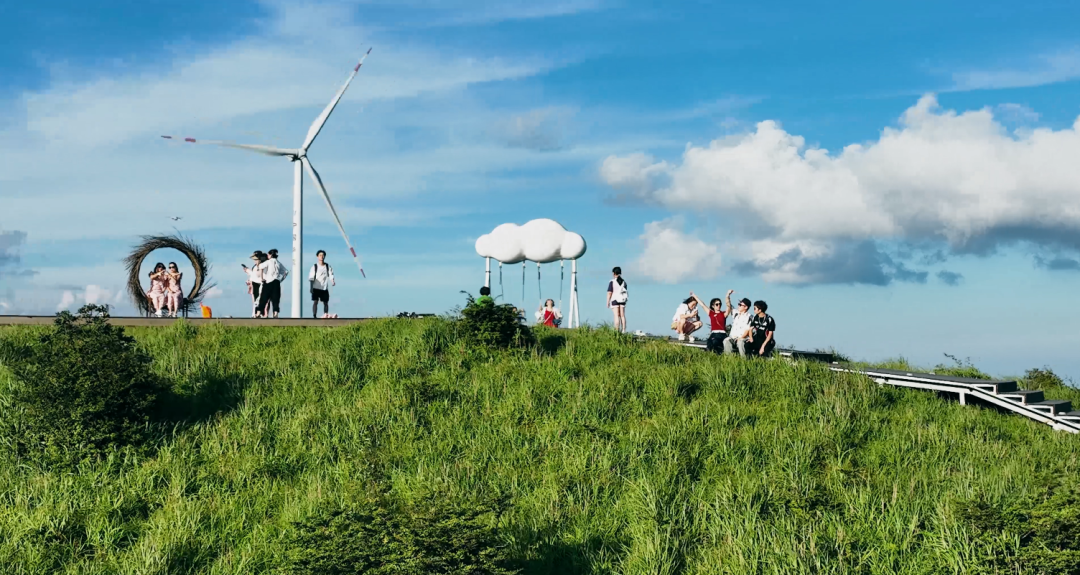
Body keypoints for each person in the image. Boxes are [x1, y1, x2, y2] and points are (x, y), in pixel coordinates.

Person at [258, 248, 288, 318]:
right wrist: (280, 279)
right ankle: (275, 313)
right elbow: (286, 272)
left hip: (268, 281)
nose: (267, 255)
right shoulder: (278, 263)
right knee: (276, 299)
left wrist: (262, 278)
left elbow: (260, 266)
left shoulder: (268, 262)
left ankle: (258, 312)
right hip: (276, 282)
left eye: (268, 254)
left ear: (271, 255)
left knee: (264, 298)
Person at [723, 292, 754, 357]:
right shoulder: (735, 313)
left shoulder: (750, 317)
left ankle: (743, 359)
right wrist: (727, 295)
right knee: (726, 340)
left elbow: (747, 330)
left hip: (743, 338)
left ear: (746, 307)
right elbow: (728, 305)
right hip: (733, 337)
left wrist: (740, 338)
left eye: (740, 305)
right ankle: (728, 358)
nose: (738, 306)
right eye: (738, 304)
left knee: (740, 342)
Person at [309, 249, 335, 319]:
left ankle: (325, 315)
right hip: (316, 287)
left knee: (326, 302)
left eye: (323, 255)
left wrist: (332, 281)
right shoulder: (314, 266)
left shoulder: (327, 266)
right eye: (320, 255)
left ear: (324, 256)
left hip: (324, 287)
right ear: (317, 256)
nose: (321, 256)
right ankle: (314, 316)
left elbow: (331, 274)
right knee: (315, 301)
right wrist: (311, 287)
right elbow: (311, 277)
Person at [243, 251, 267, 318]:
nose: (254, 261)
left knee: (258, 300)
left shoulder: (261, 266)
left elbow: (257, 275)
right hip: (255, 284)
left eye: (256, 259)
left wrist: (248, 271)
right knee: (256, 300)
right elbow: (255, 275)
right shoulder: (256, 266)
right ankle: (256, 314)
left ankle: (258, 314)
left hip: (260, 284)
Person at [606, 266, 628, 332]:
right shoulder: (624, 282)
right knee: (622, 315)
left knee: (616, 316)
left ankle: (617, 330)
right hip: (622, 300)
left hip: (615, 299)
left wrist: (607, 302)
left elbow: (609, 293)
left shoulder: (612, 282)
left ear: (614, 273)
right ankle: (623, 330)